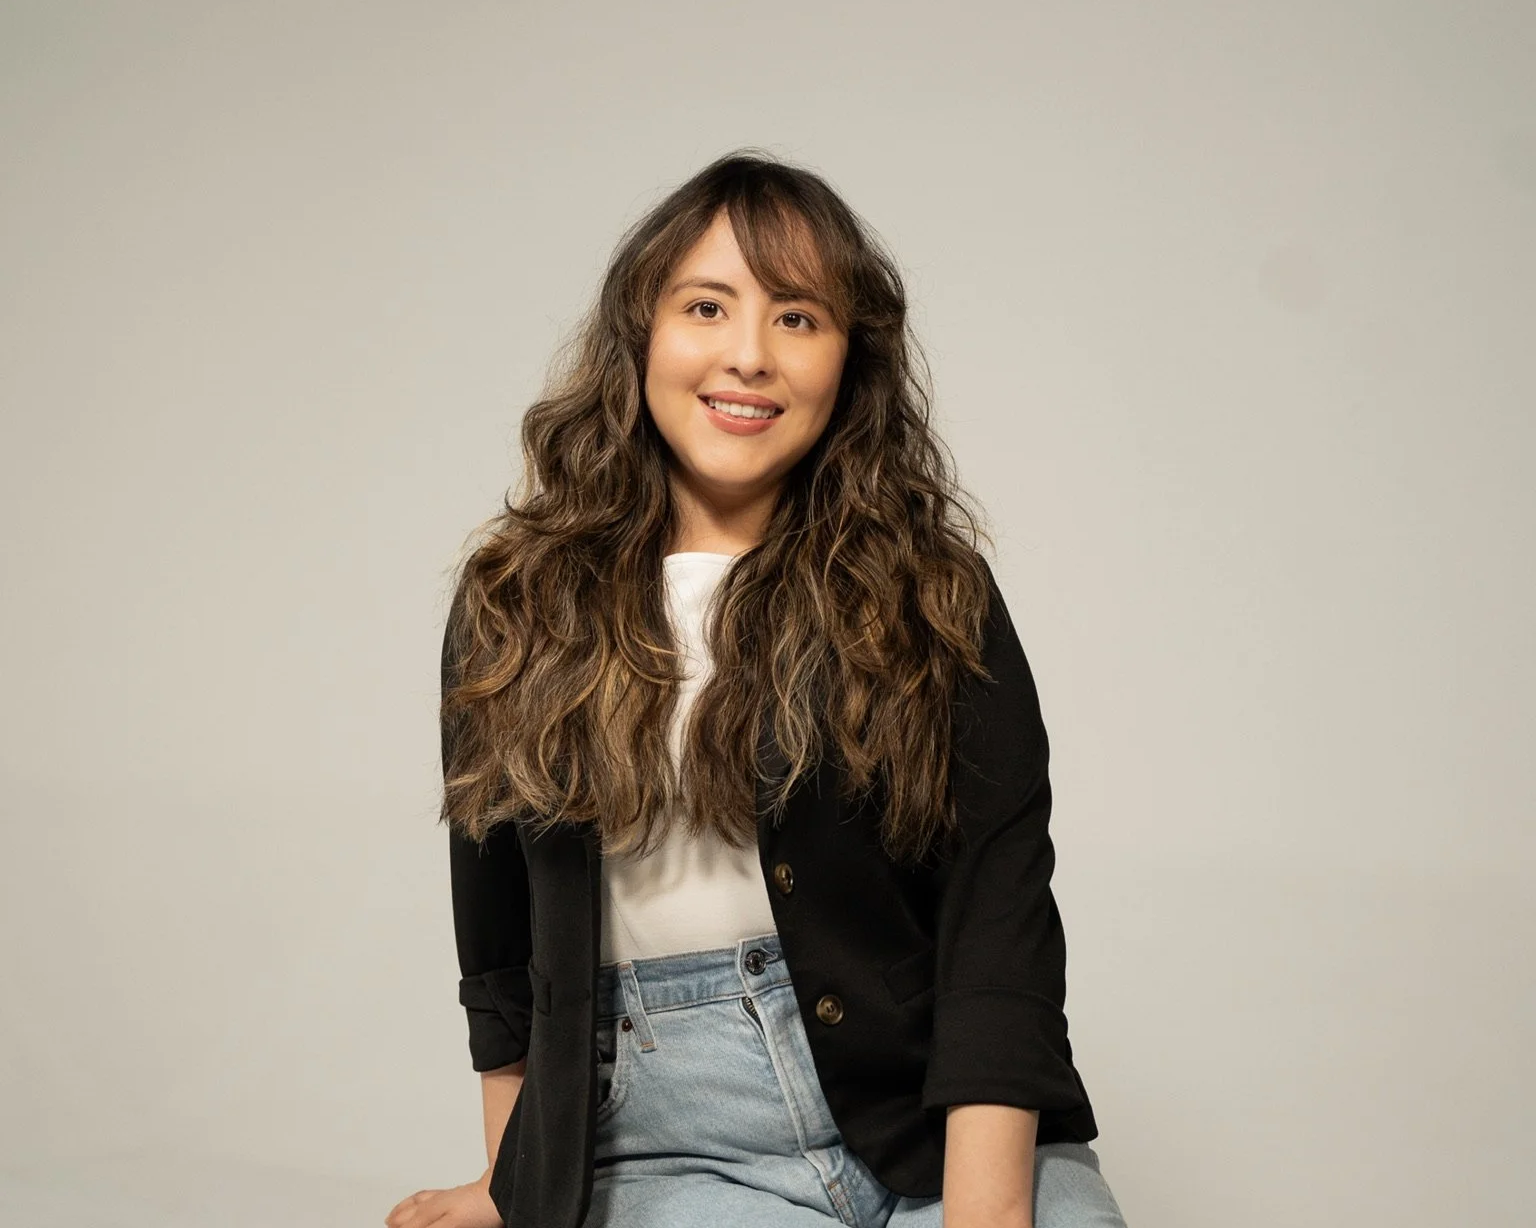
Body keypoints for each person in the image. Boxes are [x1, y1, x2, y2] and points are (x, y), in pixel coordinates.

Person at [386, 149, 1129, 1228]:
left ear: (847, 361)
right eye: (706, 306)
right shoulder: (518, 602)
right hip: (666, 1146)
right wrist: (517, 1189)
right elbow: (500, 949)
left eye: (797, 318)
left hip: (934, 1116)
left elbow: (997, 916)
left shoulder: (933, 591)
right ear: (641, 333)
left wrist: (986, 1215)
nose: (749, 357)